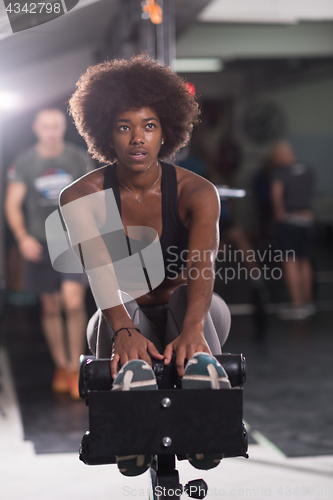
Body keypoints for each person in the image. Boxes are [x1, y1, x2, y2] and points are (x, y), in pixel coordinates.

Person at [59, 55, 232, 473]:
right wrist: (123, 330)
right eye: (125, 127)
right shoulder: (79, 197)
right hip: (121, 309)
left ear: (165, 132)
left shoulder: (198, 192)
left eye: (149, 126)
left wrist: (192, 329)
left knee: (195, 304)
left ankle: (205, 395)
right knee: (113, 310)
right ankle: (130, 416)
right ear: (106, 133)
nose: (138, 138)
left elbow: (202, 266)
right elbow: (99, 272)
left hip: (189, 309)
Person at [5, 108, 94, 398]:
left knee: (72, 302)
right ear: (36, 128)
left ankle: (77, 366)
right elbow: (12, 204)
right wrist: (21, 238)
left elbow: (93, 197)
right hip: (39, 242)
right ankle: (63, 367)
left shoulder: (77, 157)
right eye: (46, 126)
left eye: (56, 126)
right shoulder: (25, 161)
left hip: (70, 239)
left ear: (62, 127)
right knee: (51, 305)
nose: (51, 131)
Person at [270, 141, 316, 320]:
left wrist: (278, 213)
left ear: (281, 155)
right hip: (306, 220)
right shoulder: (308, 170)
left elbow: (276, 195)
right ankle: (308, 302)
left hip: (289, 220)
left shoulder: (280, 173)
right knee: (304, 261)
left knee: (290, 261)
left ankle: (297, 305)